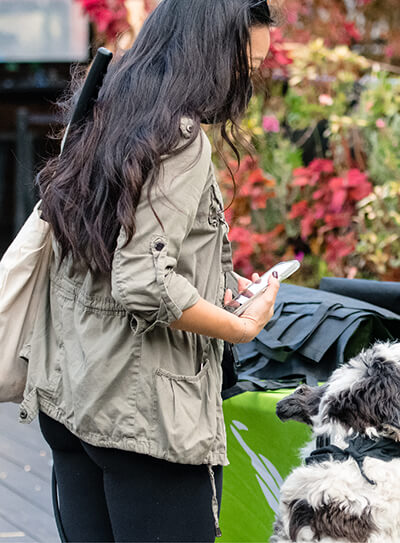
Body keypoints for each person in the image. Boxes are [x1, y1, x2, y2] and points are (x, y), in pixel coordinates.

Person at [20, 1, 279, 540]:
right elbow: (142, 280)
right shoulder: (180, 139)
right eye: (246, 68)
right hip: (144, 416)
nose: (248, 85)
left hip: (74, 398)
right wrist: (241, 326)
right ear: (210, 55)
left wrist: (221, 289)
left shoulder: (104, 108)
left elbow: (104, 254)